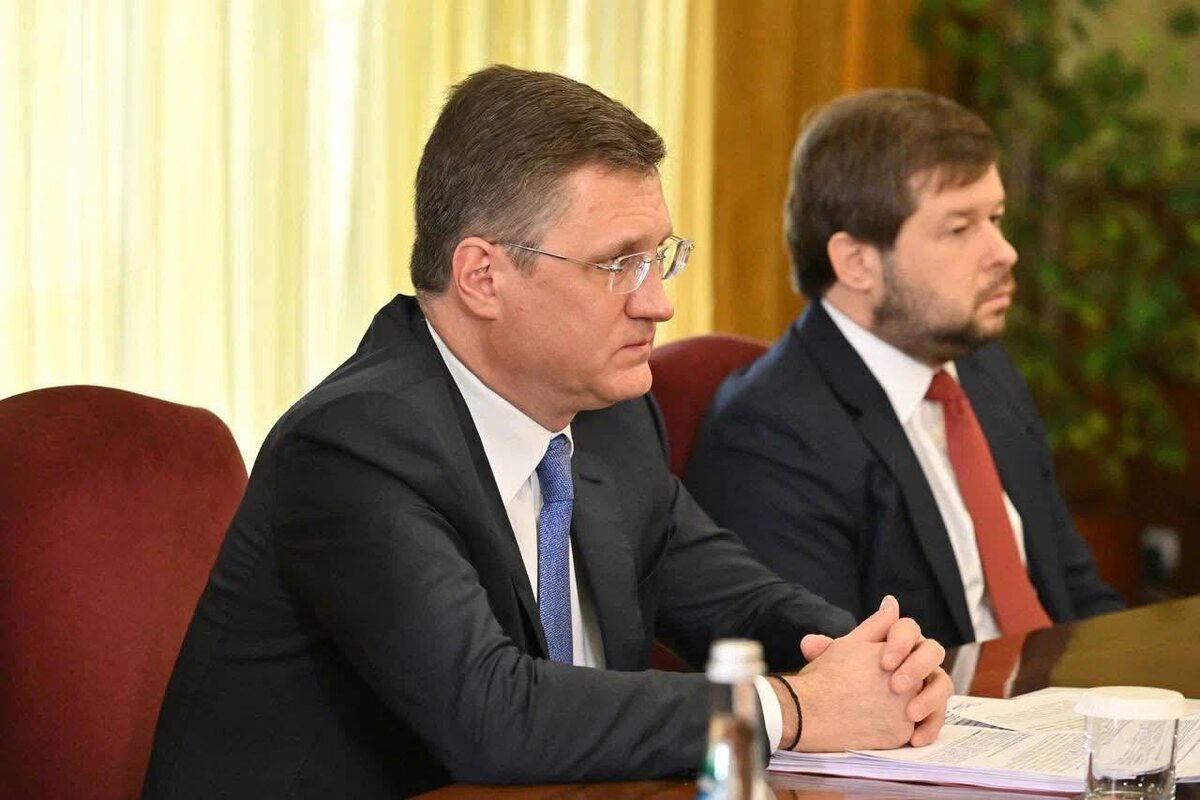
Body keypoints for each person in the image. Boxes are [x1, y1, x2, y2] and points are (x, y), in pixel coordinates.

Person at [141, 68, 951, 800]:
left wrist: (872, 658)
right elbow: (492, 713)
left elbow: (735, 597)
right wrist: (788, 709)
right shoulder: (356, 447)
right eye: (618, 265)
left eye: (660, 258)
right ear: (483, 277)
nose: (658, 303)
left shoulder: (609, 416)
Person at [686, 88, 1125, 652]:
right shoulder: (772, 432)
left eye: (995, 218)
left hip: (1052, 692)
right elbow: (827, 672)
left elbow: (1075, 591)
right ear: (857, 263)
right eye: (959, 229)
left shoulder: (982, 369)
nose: (1004, 252)